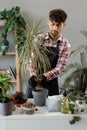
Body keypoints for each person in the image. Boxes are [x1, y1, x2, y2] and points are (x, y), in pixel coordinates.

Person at [26, 9, 71, 98]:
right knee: (30, 107)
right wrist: (34, 76)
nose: (55, 28)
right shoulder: (38, 39)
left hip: (51, 84)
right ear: (48, 22)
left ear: (64, 25)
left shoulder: (65, 44)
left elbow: (60, 67)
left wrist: (44, 77)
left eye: (58, 25)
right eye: (53, 24)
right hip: (34, 81)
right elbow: (31, 59)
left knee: (52, 110)